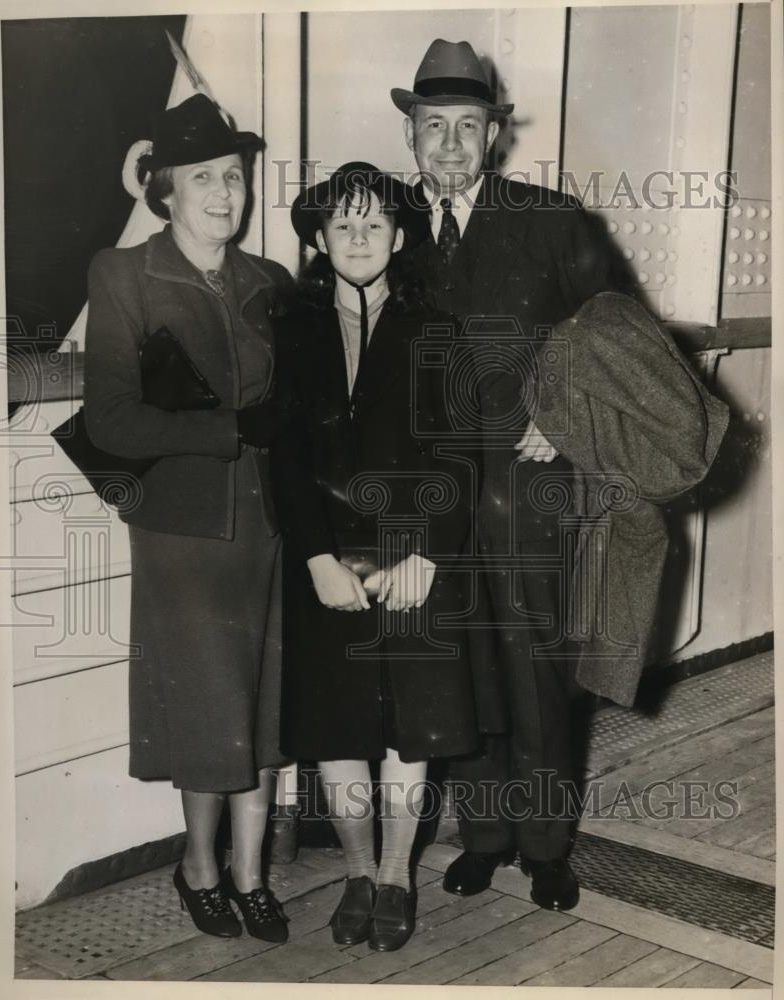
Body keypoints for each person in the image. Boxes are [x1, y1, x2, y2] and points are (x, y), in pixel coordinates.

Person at [392, 39, 627, 911]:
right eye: (432, 126)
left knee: (534, 665)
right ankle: (483, 836)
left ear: (493, 135)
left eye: (467, 126)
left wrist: (561, 420)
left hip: (529, 488)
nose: (449, 144)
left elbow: (613, 337)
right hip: (429, 491)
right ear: (410, 135)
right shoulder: (378, 228)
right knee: (459, 665)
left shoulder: (550, 219)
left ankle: (544, 845)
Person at [83, 94, 291, 942]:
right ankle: (198, 867)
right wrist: (230, 430)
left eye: (234, 177)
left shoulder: (270, 282)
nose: (222, 193)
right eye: (202, 177)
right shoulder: (123, 275)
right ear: (164, 190)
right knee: (210, 709)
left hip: (271, 527)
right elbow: (112, 422)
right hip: (182, 535)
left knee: (266, 709)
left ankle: (250, 874)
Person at [271, 162, 478, 951]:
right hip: (326, 562)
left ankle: (395, 877)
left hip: (411, 561)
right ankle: (356, 874)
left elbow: (459, 457)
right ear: (320, 239)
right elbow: (285, 459)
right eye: (342, 225)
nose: (359, 238)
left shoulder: (437, 329)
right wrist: (317, 558)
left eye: (374, 224)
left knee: (403, 735)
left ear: (399, 235)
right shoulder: (292, 329)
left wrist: (424, 553)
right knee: (338, 731)